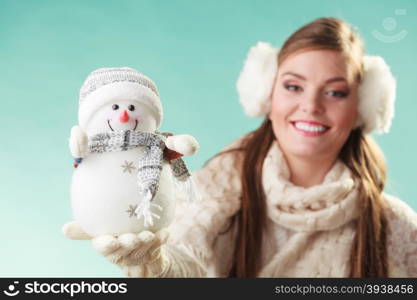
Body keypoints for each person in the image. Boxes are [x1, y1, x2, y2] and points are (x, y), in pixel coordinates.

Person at [63, 17, 417, 277]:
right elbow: (185, 264)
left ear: (364, 107)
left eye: (336, 92)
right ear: (267, 93)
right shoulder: (212, 193)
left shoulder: (396, 226)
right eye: (294, 86)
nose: (311, 106)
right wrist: (155, 265)